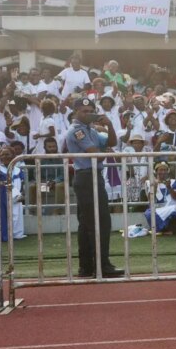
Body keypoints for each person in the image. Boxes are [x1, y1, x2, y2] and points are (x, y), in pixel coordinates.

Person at [65, 97, 123, 277]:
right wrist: (105, 153)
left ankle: (87, 266)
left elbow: (111, 142)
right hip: (86, 177)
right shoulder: (77, 131)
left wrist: (110, 125)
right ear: (75, 112)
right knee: (100, 222)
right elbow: (95, 155)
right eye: (84, 111)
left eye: (91, 111)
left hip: (92, 177)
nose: (88, 114)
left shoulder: (90, 130)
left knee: (87, 224)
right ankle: (101, 265)